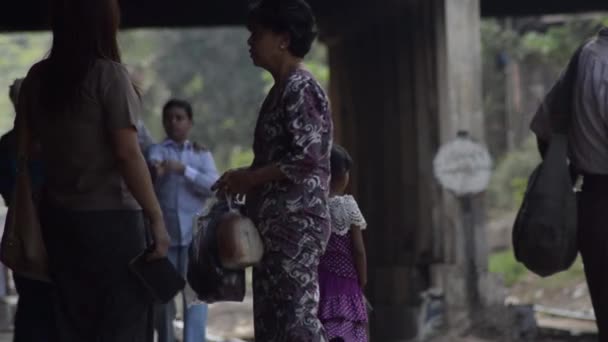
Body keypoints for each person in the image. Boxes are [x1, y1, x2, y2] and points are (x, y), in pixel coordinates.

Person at [18, 0, 170, 340]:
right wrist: (156, 219)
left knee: (71, 325)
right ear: (103, 21)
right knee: (123, 325)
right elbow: (127, 155)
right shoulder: (109, 75)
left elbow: (26, 151)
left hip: (58, 222)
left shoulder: (37, 79)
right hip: (113, 225)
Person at [214, 0, 333, 340]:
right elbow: (276, 160)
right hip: (273, 227)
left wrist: (250, 178)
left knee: (296, 322)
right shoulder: (279, 91)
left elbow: (305, 158)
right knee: (272, 324)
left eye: (257, 34)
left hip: (296, 226)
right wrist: (242, 177)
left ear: (283, 38)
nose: (250, 42)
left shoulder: (300, 88)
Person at [531, 27, 608, 338]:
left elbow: (543, 129)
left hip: (595, 204)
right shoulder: (601, 64)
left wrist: (570, 172)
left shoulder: (583, 58)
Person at [148, 99, 218, 342]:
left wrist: (183, 170)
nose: (173, 122)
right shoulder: (157, 151)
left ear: (190, 122)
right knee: (162, 299)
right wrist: (157, 170)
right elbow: (148, 177)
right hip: (164, 239)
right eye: (169, 118)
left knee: (195, 299)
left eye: (179, 118)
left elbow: (213, 186)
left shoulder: (201, 154)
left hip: (193, 239)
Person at [0, 78, 56, 342]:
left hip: (23, 226)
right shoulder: (53, 140)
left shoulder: (7, 144)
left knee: (31, 300)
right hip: (49, 226)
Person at [318, 144, 368, 342]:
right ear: (343, 175)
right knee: (351, 330)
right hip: (347, 284)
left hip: (320, 283)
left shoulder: (314, 205)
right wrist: (362, 280)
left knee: (324, 329)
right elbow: (359, 250)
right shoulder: (347, 205)